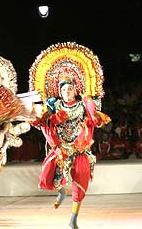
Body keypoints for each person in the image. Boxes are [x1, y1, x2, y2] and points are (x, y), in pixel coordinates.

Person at [29, 42, 111, 229]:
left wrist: (89, 102)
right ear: (60, 91)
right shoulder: (55, 106)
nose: (67, 92)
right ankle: (61, 192)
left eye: (70, 89)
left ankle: (73, 218)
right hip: (61, 148)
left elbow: (95, 119)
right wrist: (46, 116)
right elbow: (40, 121)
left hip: (79, 147)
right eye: (64, 89)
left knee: (80, 180)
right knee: (50, 174)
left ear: (75, 90)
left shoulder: (82, 105)